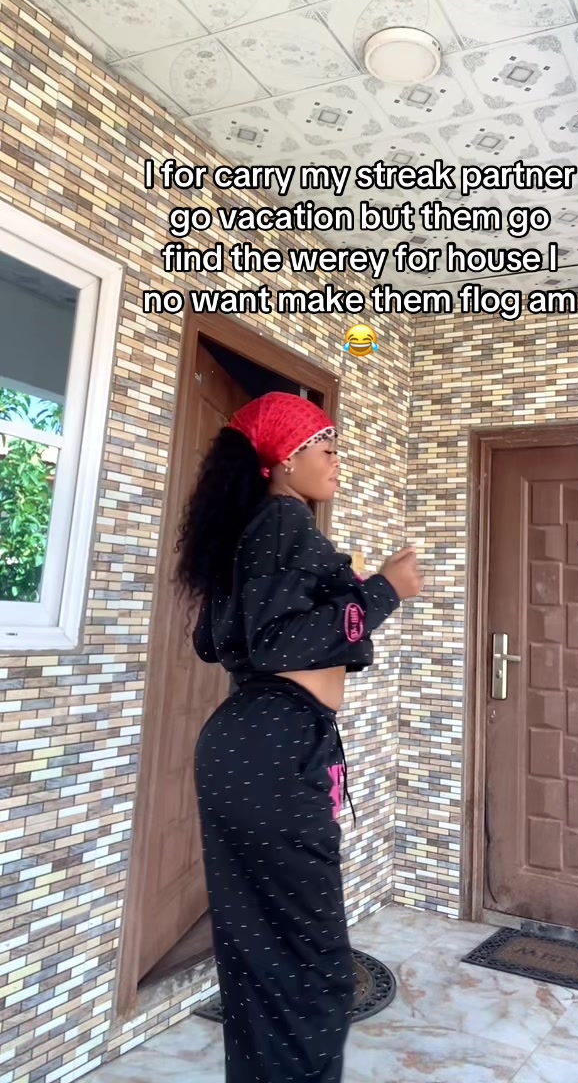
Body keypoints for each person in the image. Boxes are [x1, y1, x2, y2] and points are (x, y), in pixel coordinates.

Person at [174, 391, 422, 1083]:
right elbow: (280, 641)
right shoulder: (283, 520)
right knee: (312, 969)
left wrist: (348, 592)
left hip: (252, 743)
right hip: (274, 750)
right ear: (286, 460)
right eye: (328, 450)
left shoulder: (251, 529)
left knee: (263, 956)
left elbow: (216, 639)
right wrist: (385, 590)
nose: (338, 463)